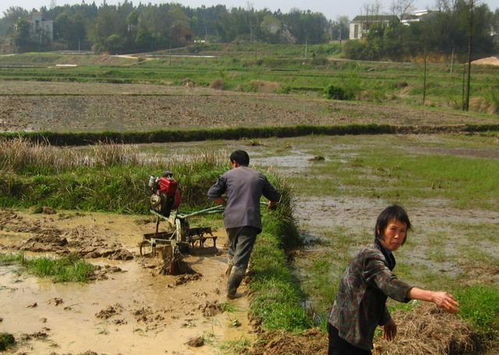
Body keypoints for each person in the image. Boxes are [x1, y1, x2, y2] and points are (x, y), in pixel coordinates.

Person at [328, 204, 459, 355]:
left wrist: (386, 319)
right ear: (380, 229)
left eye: (402, 231)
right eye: (393, 229)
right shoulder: (371, 256)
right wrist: (432, 296)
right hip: (345, 330)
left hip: (356, 332)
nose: (397, 236)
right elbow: (389, 284)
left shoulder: (387, 257)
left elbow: (374, 291)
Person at [207, 150, 280, 299]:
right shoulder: (259, 176)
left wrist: (225, 203)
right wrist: (272, 204)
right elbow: (275, 196)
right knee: (241, 259)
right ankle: (231, 292)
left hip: (231, 220)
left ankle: (229, 274)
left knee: (234, 248)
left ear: (234, 162)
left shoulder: (227, 175)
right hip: (249, 220)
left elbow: (212, 194)